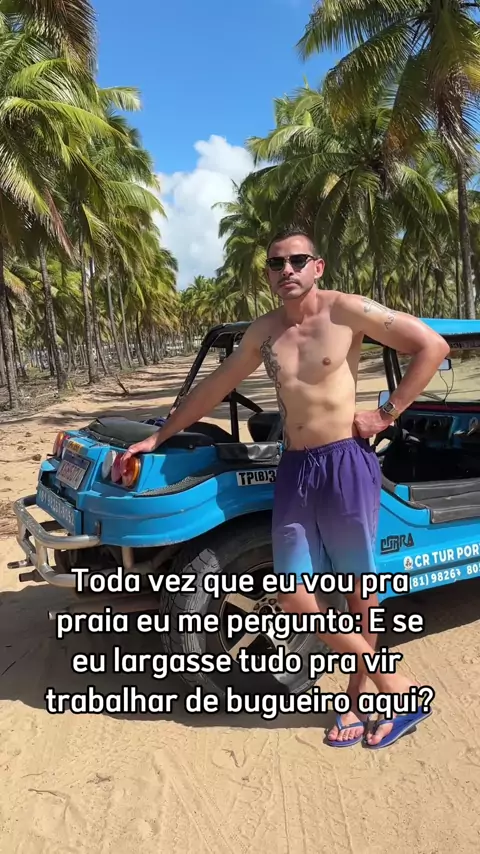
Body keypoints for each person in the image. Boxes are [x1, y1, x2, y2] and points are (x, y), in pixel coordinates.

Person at [121, 226, 449, 749]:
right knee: (293, 594)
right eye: (277, 264)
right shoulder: (264, 331)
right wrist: (158, 435)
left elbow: (432, 346)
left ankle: (359, 699)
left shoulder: (346, 310)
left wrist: (386, 413)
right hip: (295, 467)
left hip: (345, 463)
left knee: (358, 593)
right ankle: (395, 686)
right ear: (269, 275)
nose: (287, 270)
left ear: (317, 266)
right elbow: (214, 387)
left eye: (298, 260)